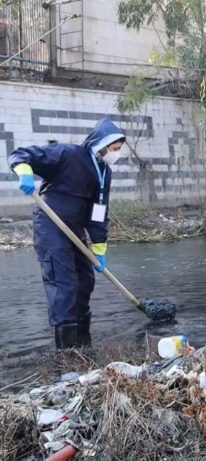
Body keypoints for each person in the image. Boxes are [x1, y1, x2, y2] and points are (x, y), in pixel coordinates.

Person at [8, 119, 126, 349]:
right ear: (102, 145)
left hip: (75, 228)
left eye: (119, 150)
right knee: (64, 284)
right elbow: (21, 154)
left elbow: (99, 212)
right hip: (51, 224)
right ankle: (67, 355)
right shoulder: (67, 154)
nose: (117, 154)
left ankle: (84, 345)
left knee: (85, 281)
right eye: (115, 149)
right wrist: (24, 173)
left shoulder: (104, 173)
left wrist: (99, 248)